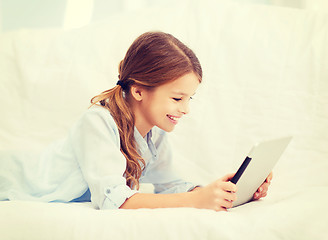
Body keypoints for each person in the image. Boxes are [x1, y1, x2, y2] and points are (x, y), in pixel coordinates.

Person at [0, 31, 272, 211]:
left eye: (191, 99)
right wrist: (195, 200)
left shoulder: (156, 133)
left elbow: (172, 186)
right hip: (15, 177)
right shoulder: (96, 123)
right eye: (178, 99)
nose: (186, 109)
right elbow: (112, 199)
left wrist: (223, 192)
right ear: (139, 90)